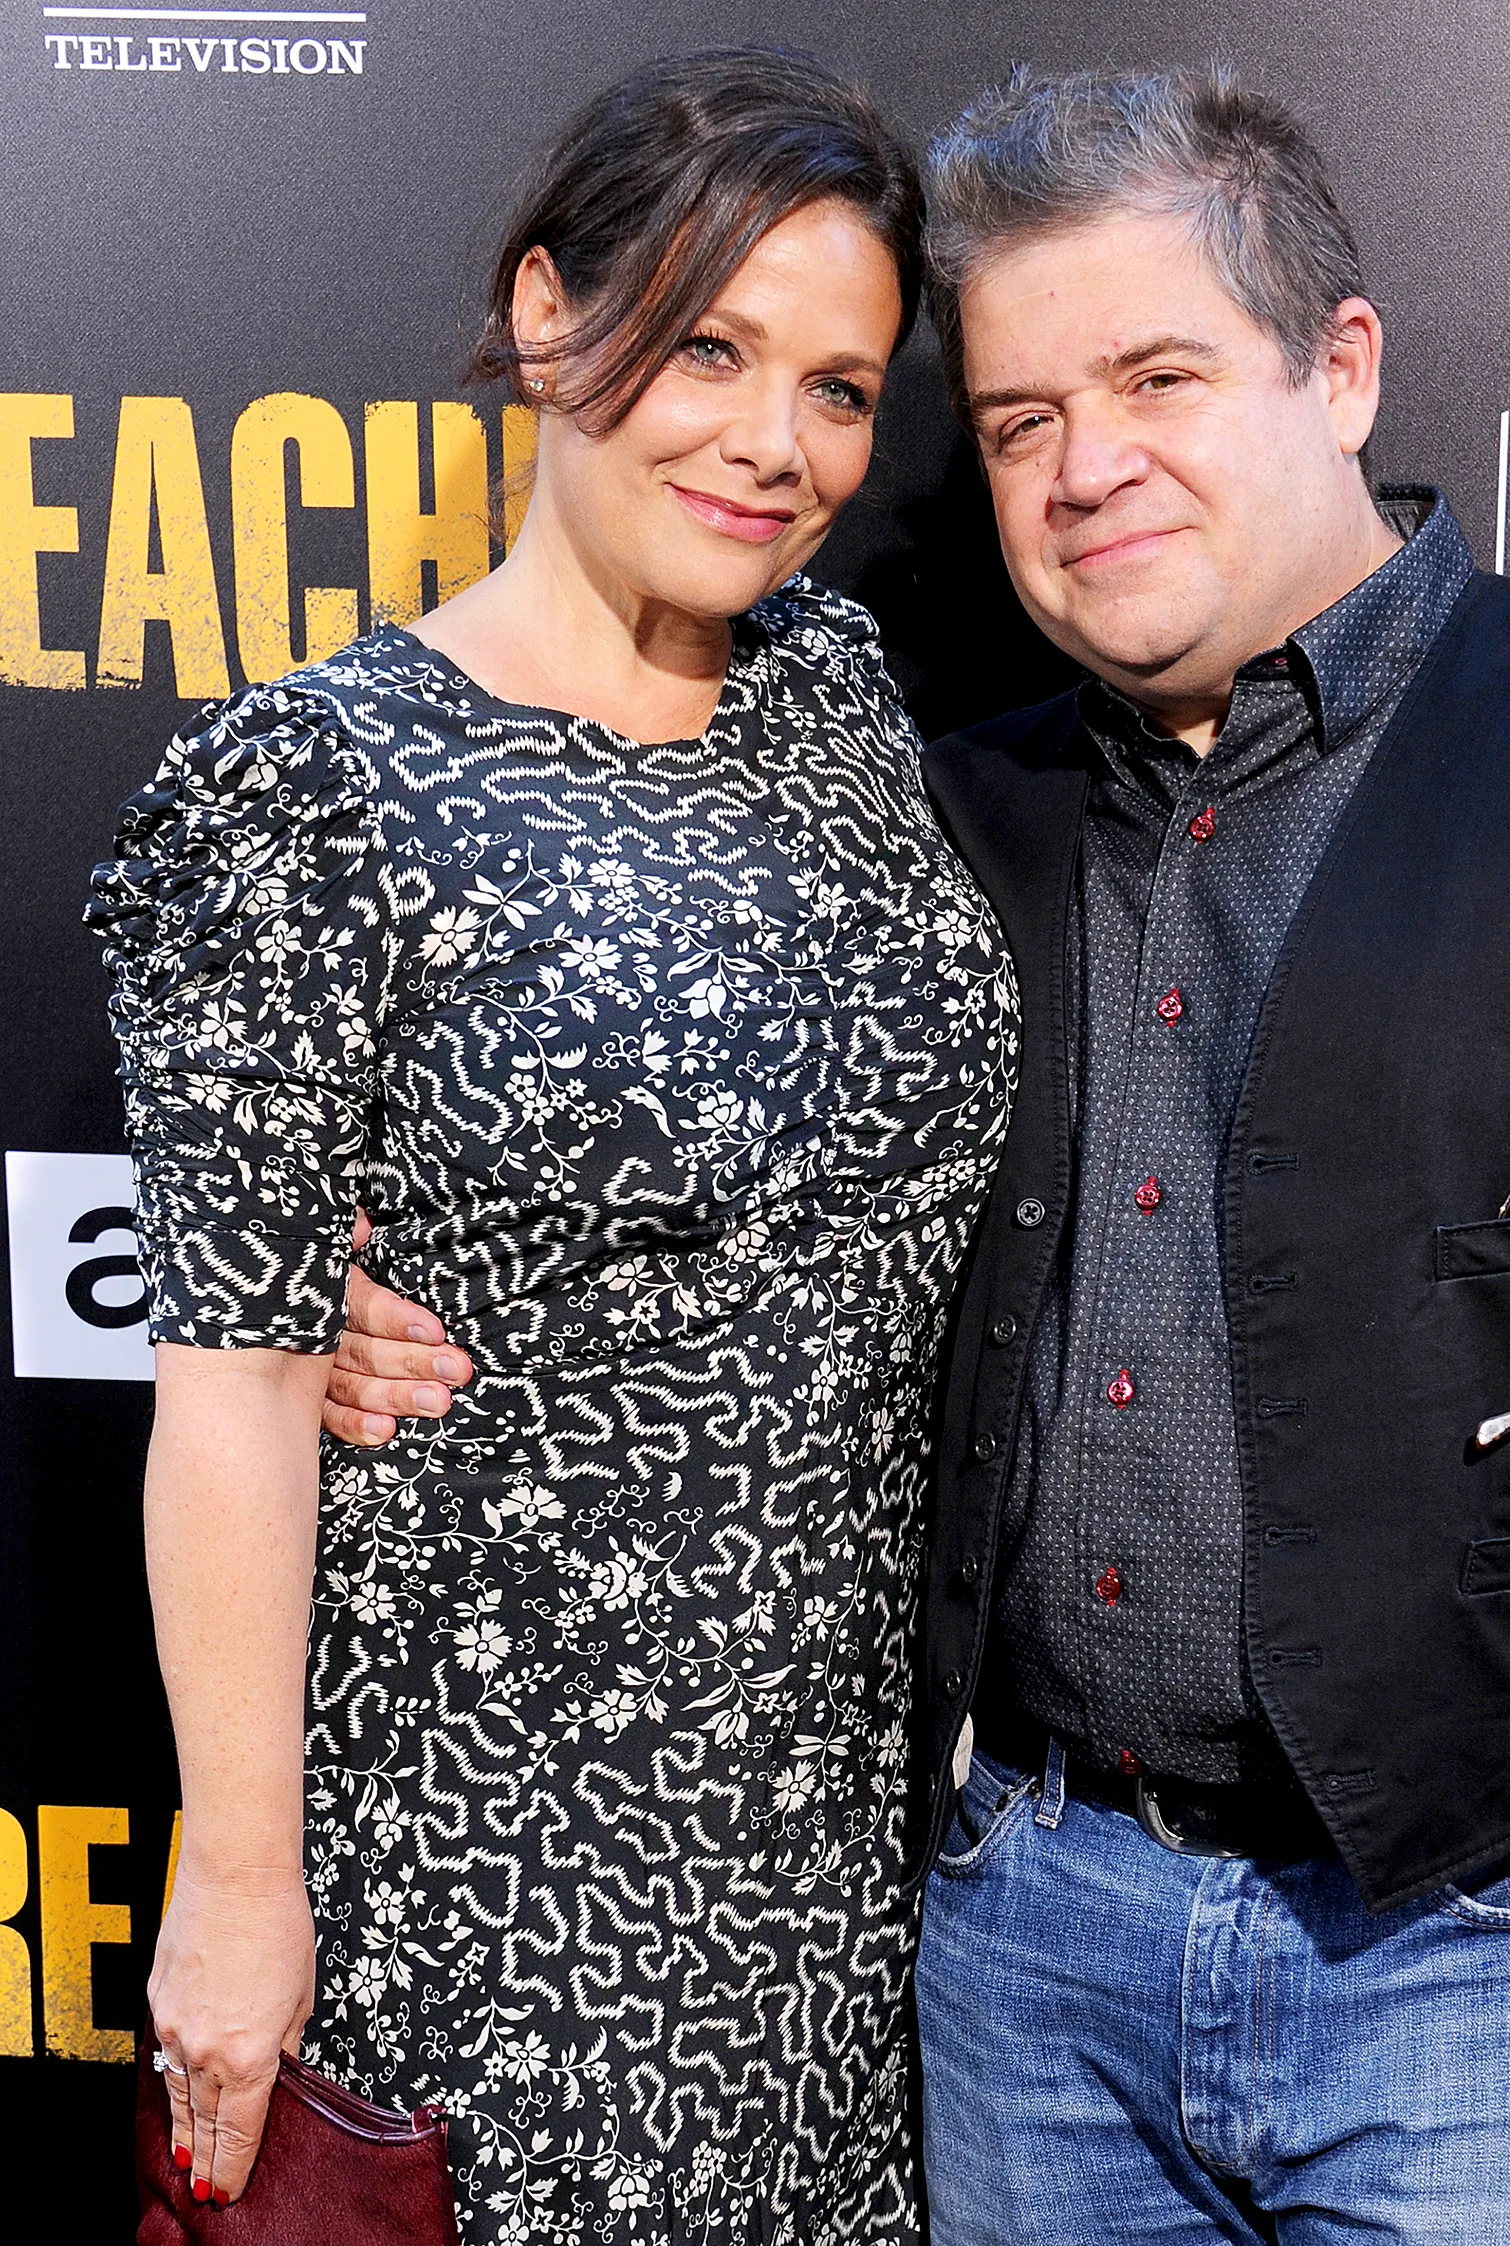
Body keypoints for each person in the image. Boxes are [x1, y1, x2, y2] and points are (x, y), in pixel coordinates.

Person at [330, 60, 1510, 2246]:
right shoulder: (934, 812)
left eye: (1160, 376)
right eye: (1018, 422)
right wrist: (385, 1265)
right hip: (1026, 1955)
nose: (1087, 466)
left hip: (1499, 1962)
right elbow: (656, 1106)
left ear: (1340, 365)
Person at [88, 49, 1015, 2245]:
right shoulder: (308, 794)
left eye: (841, 387)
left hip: (833, 1895)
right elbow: (223, 1396)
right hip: (489, 1868)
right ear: (541, 315)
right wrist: (236, 1892)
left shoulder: (850, 704)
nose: (774, 443)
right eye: (709, 344)